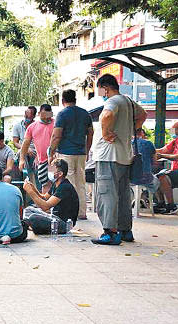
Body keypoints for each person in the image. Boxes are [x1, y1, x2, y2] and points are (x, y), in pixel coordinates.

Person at [92, 73, 146, 245]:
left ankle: (110, 232)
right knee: (123, 195)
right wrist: (131, 129)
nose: (101, 93)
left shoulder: (112, 101)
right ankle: (125, 230)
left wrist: (106, 133)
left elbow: (107, 115)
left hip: (108, 156)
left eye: (100, 90)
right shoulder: (128, 101)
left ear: (105, 88)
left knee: (107, 194)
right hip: (124, 157)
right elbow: (143, 115)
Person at [49, 89, 93, 220]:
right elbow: (90, 133)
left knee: (69, 182)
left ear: (63, 101)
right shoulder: (85, 114)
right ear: (75, 99)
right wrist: (87, 149)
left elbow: (57, 136)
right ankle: (81, 212)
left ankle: (71, 212)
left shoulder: (62, 114)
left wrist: (51, 152)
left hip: (66, 153)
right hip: (80, 153)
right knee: (81, 182)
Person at [23, 159, 79, 234]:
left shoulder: (65, 187)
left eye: (52, 169)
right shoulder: (56, 183)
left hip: (63, 224)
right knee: (28, 210)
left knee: (33, 217)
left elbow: (45, 206)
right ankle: (31, 225)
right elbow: (44, 198)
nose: (49, 170)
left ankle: (30, 225)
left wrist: (30, 192)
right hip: (54, 217)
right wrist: (33, 189)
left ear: (60, 174)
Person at [20, 104, 55, 193]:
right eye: (44, 115)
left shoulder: (56, 124)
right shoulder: (32, 127)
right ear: (39, 114)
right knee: (44, 183)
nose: (47, 118)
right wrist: (22, 159)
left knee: (57, 183)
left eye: (49, 116)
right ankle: (46, 205)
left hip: (56, 160)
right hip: (42, 160)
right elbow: (25, 144)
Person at [133, 128, 160, 195]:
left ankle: (140, 197)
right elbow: (155, 161)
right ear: (142, 134)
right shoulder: (148, 143)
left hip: (129, 179)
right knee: (158, 181)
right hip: (145, 178)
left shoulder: (127, 144)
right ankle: (144, 196)